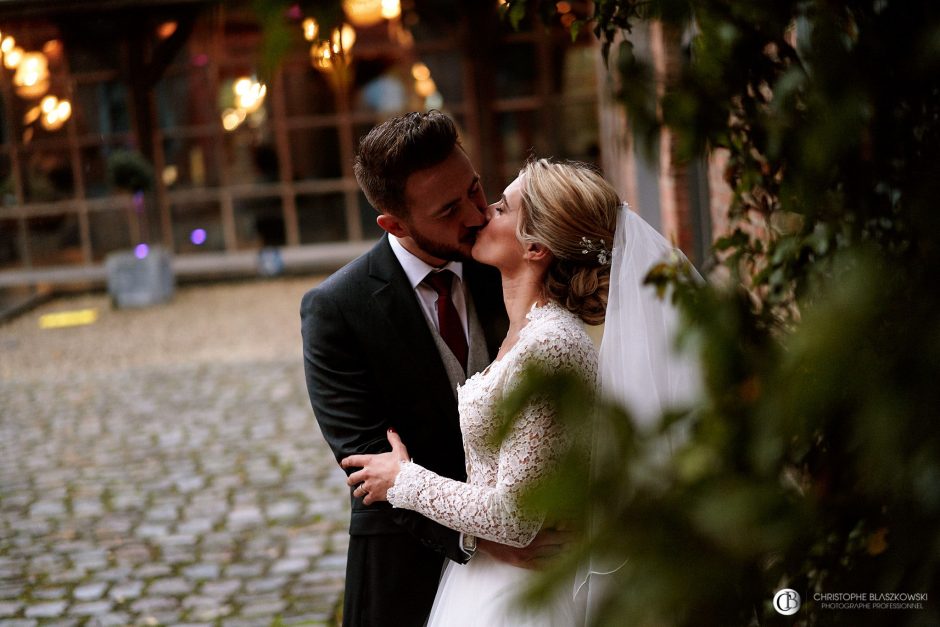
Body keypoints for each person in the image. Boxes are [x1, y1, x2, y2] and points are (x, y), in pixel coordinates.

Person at [342, 158, 701, 626]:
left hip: (521, 594)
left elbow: (515, 517)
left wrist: (403, 480)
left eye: (500, 208)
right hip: (489, 581)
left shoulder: (550, 345)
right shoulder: (526, 333)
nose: (480, 215)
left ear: (535, 248)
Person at [301, 111, 562, 627]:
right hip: (405, 570)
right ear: (394, 224)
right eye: (448, 209)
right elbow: (370, 466)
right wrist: (479, 538)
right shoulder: (337, 309)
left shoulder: (508, 259)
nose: (474, 214)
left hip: (537, 573)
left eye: (475, 188)